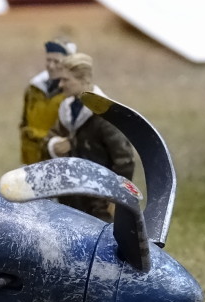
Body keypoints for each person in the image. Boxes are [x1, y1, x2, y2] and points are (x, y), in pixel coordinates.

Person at [43, 53, 136, 221]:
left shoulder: (105, 114)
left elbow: (124, 159)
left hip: (99, 198)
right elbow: (51, 137)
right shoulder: (67, 109)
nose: (61, 85)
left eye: (66, 79)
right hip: (72, 193)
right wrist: (55, 145)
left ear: (83, 80)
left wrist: (117, 198)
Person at [19, 39, 75, 165]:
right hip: (31, 157)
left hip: (56, 160)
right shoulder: (34, 89)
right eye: (48, 60)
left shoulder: (72, 93)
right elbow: (24, 121)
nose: (51, 66)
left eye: (56, 61)